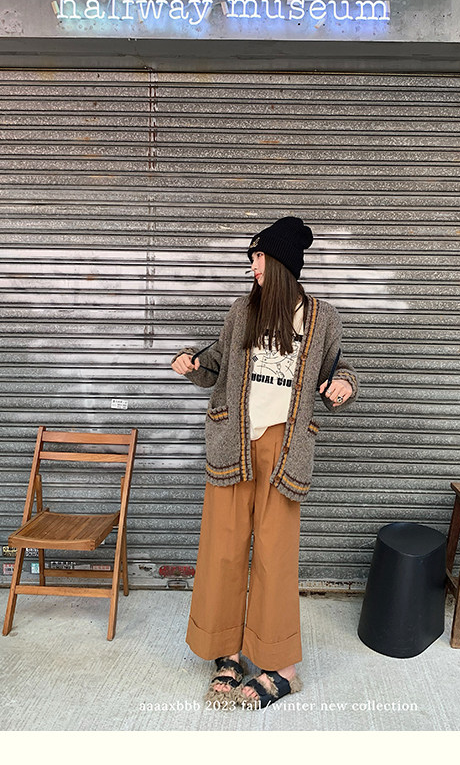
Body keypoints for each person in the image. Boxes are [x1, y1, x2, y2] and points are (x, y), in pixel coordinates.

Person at [170, 216, 359, 710]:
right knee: (224, 550)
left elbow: (338, 367)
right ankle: (228, 653)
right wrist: (191, 360)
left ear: (282, 263)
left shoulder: (322, 318)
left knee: (275, 556)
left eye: (259, 257)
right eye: (251, 257)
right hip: (233, 443)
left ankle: (283, 668)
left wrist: (345, 384)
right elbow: (215, 363)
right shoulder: (242, 311)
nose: (253, 266)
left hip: (284, 447)